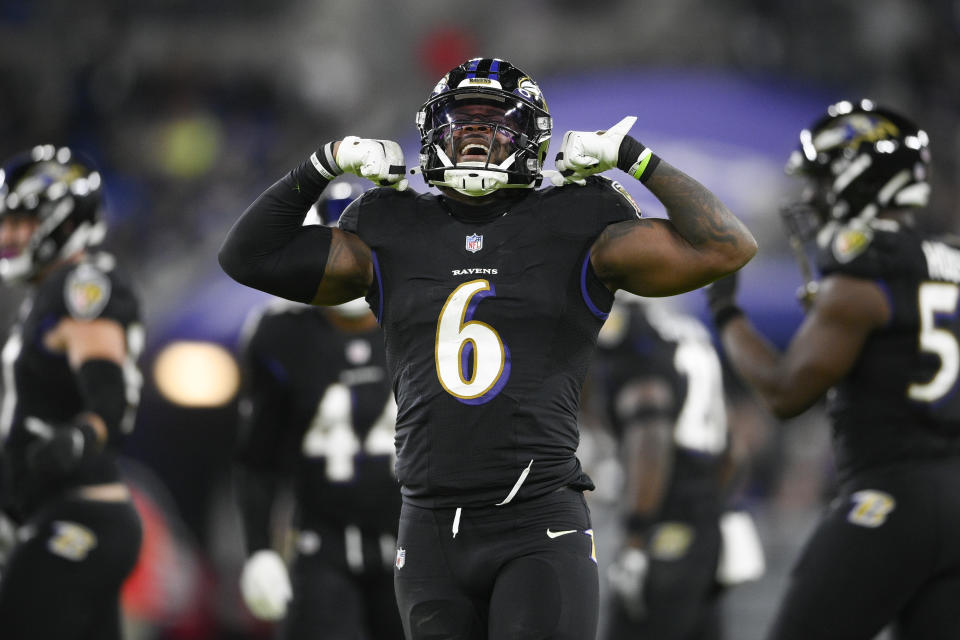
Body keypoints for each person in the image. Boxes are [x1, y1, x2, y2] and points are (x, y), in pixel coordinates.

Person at [219, 57, 757, 639]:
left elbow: (725, 247)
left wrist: (636, 159)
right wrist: (323, 163)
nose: (475, 136)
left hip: (537, 524)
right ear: (431, 134)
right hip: (427, 528)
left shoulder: (578, 218)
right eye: (462, 123)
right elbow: (248, 257)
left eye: (494, 124)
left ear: (530, 139)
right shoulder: (389, 225)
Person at [705, 99, 960, 639]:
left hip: (890, 497)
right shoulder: (946, 259)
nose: (813, 197)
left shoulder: (865, 273)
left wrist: (726, 312)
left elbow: (783, 394)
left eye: (822, 180)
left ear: (859, 179)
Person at [234, 184, 403, 639]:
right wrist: (260, 549)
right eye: (332, 249)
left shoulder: (423, 318)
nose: (345, 263)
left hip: (418, 541)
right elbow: (258, 459)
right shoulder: (279, 333)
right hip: (321, 544)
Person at [0, 144, 144, 639]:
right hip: (59, 511)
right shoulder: (46, 294)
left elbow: (107, 396)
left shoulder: (80, 286)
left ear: (62, 222)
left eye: (20, 222)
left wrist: (80, 437)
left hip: (80, 513)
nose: (8, 235)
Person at [589, 296, 762, 640]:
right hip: (706, 524)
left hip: (663, 527)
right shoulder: (688, 331)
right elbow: (735, 447)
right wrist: (715, 504)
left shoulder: (635, 336)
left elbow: (651, 434)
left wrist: (637, 536)